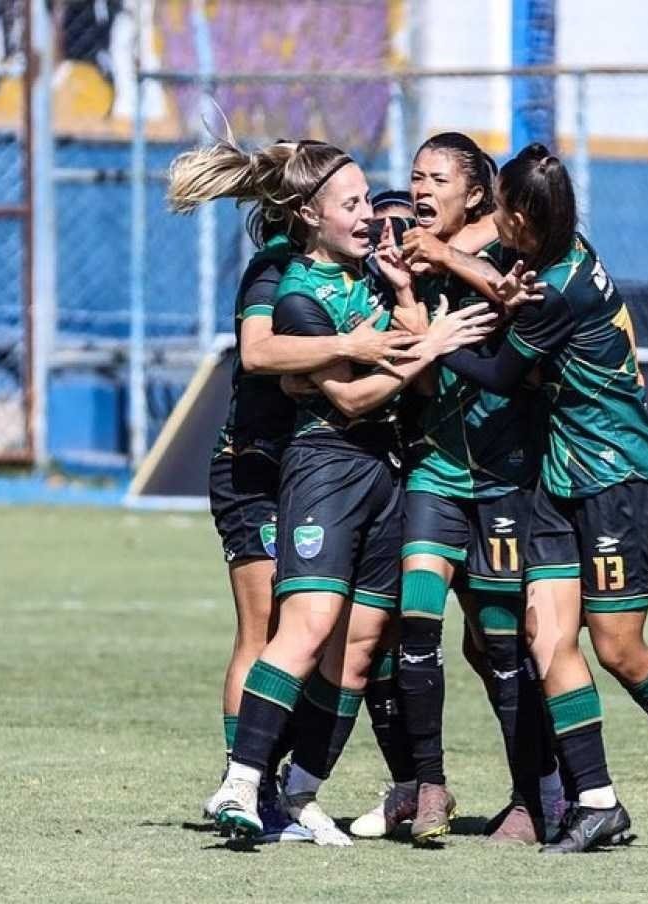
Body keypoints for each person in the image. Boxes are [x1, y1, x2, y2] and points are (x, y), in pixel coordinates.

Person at [188, 138, 493, 843]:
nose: (373, 214)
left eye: (369, 200)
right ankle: (245, 783)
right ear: (308, 214)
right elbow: (299, 373)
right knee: (289, 626)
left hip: (383, 472)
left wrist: (412, 304)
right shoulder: (289, 285)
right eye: (354, 203)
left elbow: (407, 362)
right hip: (299, 466)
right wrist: (390, 346)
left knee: (360, 642)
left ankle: (295, 794)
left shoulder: (375, 273)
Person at [439, 143, 648, 854]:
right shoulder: (555, 252)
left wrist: (428, 340)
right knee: (547, 638)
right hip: (561, 475)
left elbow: (501, 373)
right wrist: (446, 252)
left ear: (519, 218)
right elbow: (487, 257)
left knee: (619, 649)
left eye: (498, 212)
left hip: (618, 477)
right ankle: (598, 801)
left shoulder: (555, 290)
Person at [374, 132, 562, 846]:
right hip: (438, 471)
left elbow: (522, 307)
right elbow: (422, 378)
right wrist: (409, 307)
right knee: (416, 620)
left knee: (501, 647)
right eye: (415, 176)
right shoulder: (414, 257)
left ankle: (532, 795)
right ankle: (430, 787)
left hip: (505, 479)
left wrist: (449, 262)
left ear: (476, 193)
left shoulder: (509, 252)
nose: (420, 190)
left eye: (436, 178)